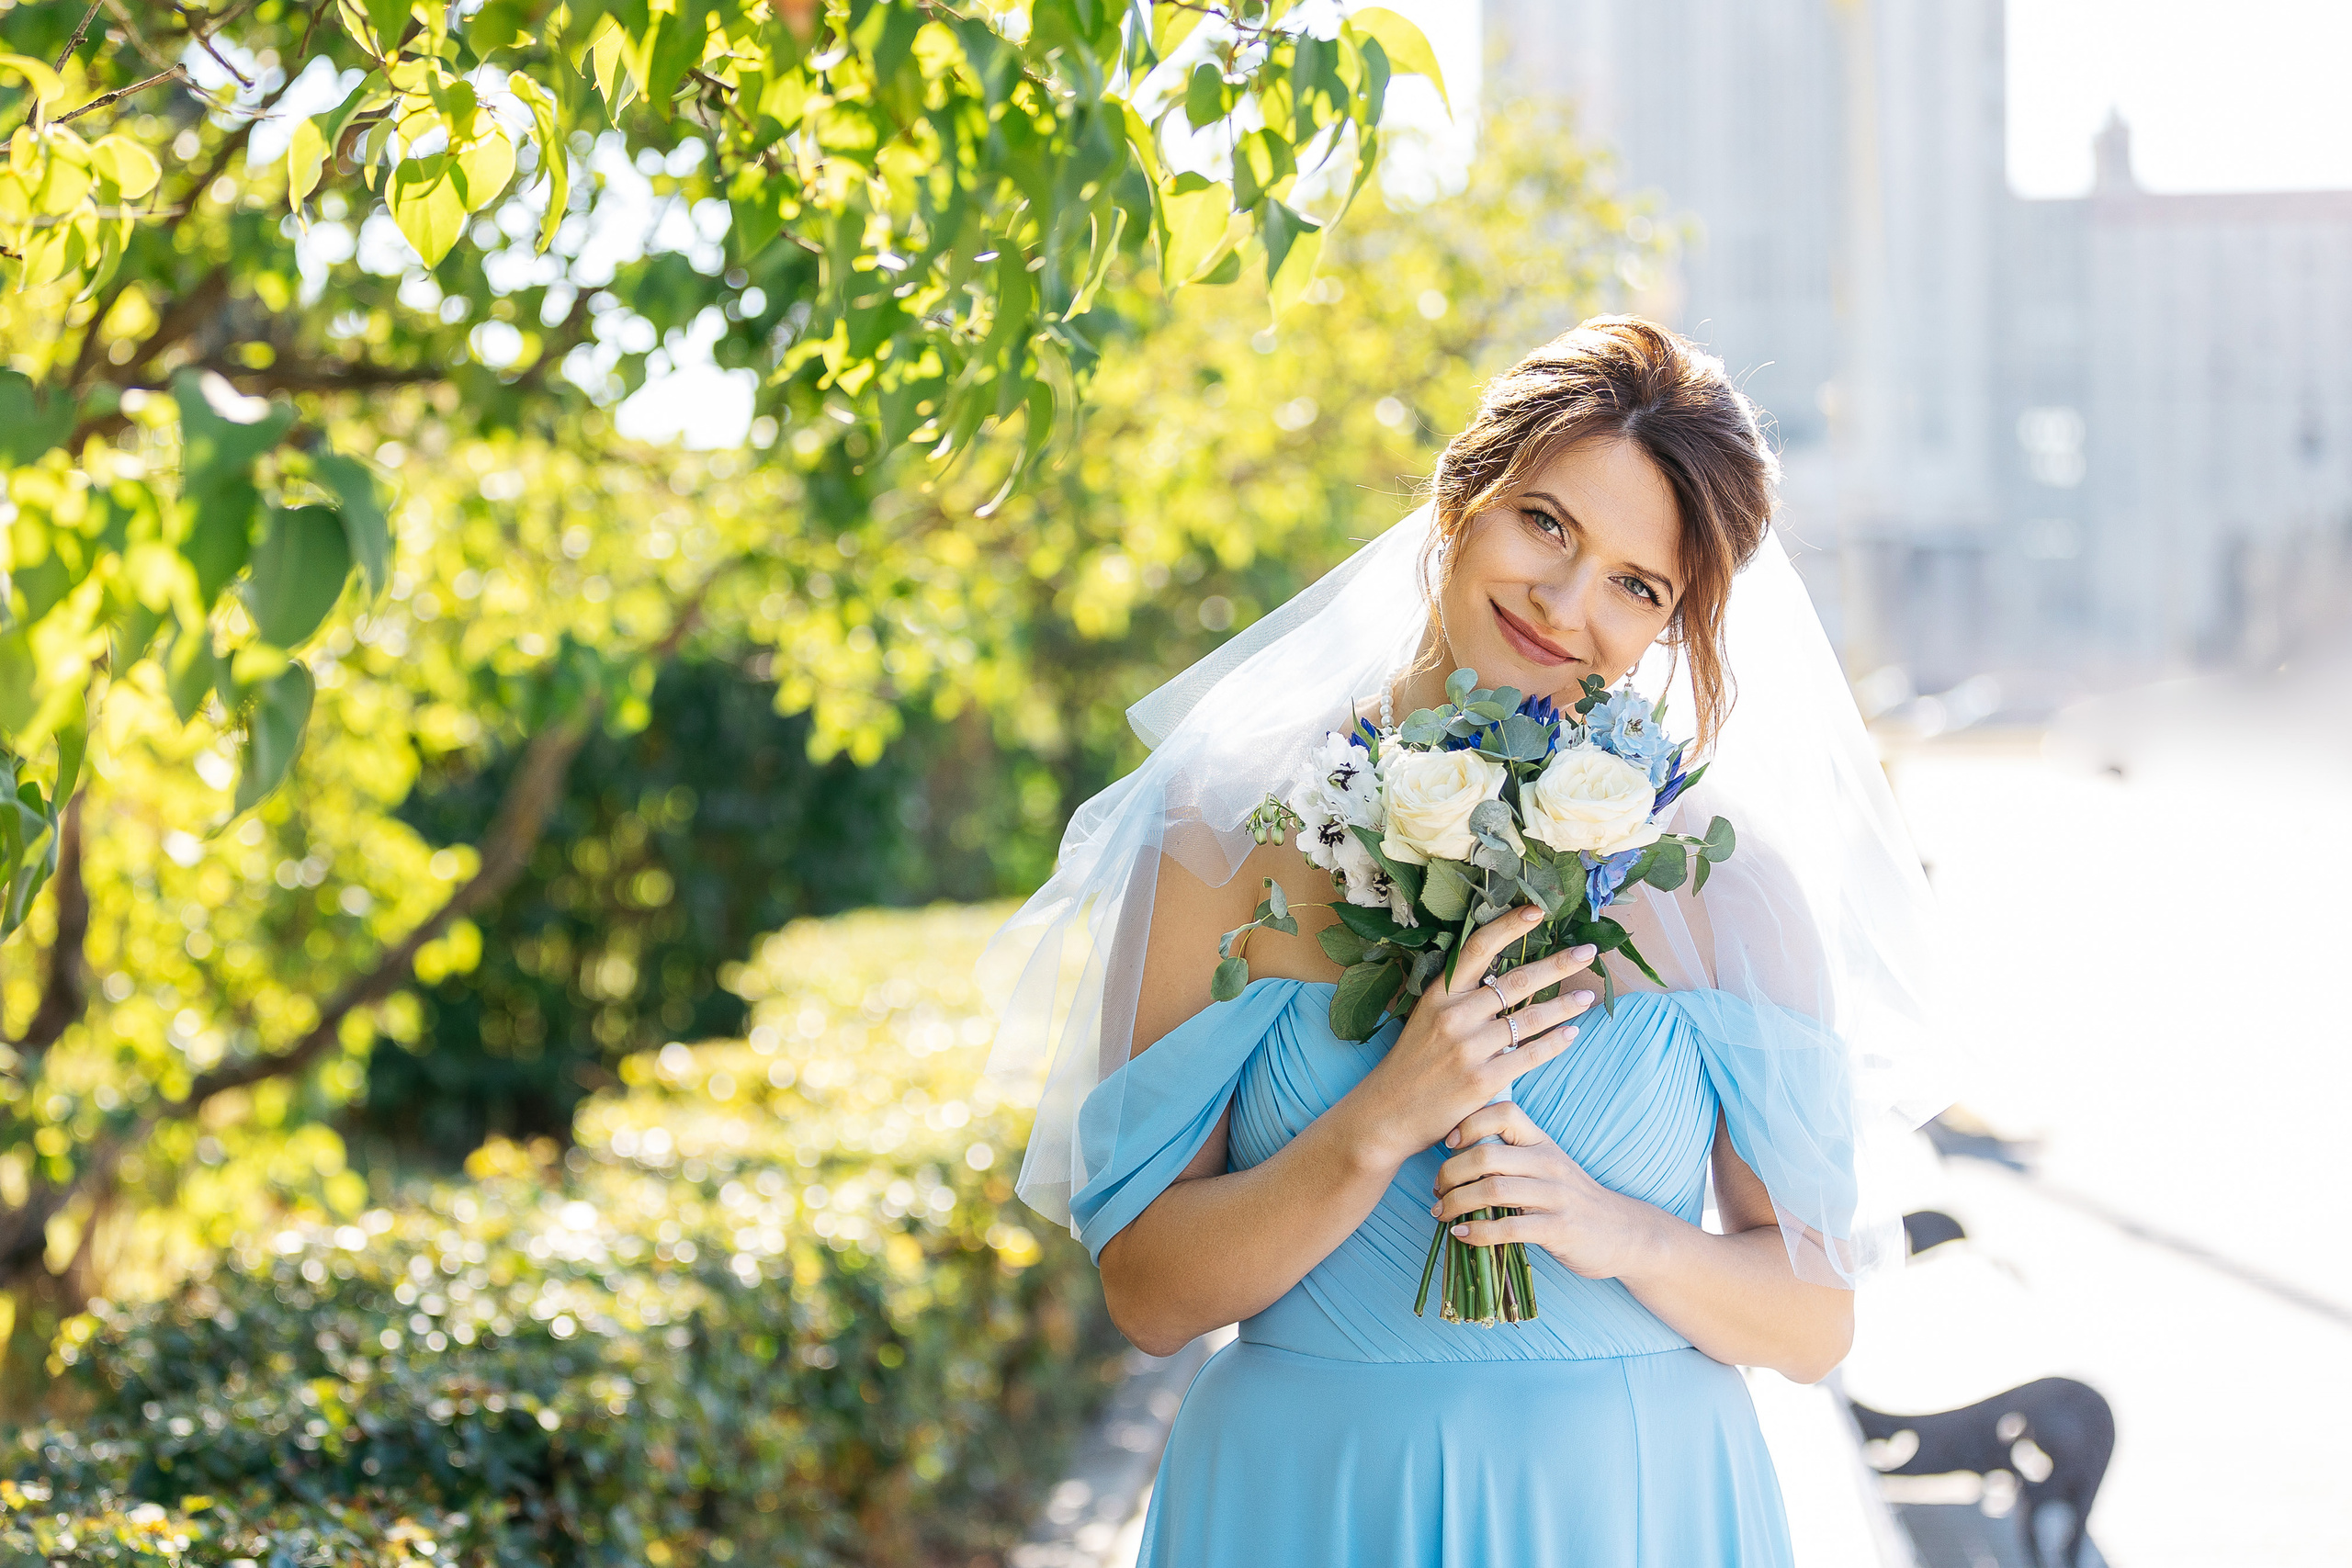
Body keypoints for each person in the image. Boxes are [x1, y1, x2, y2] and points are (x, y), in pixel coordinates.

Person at [981, 318, 1953, 1566]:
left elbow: (1816, 1320)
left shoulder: (1728, 881)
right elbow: (1149, 1295)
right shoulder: (1219, 836)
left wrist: (1624, 1234)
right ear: (1460, 499)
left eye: (1635, 584)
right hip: (1310, 1507)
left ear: (1672, 624)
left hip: (1630, 1515)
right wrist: (1380, 1119)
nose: (1566, 603)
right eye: (1546, 524)